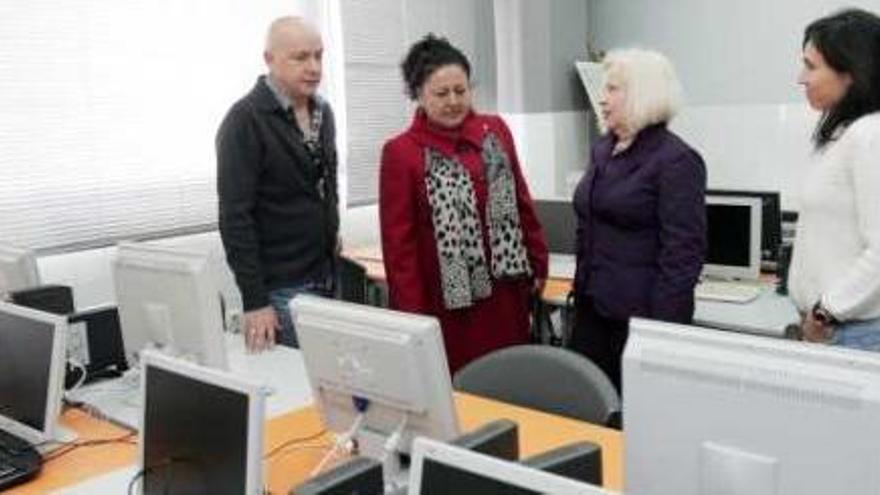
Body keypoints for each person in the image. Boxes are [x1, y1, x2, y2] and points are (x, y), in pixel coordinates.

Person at [379, 34, 549, 373]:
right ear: (418, 95)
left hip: (506, 293)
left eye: (461, 90)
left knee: (512, 378)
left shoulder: (495, 130)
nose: (454, 101)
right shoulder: (402, 152)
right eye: (441, 94)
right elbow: (400, 246)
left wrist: (538, 259)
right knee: (464, 388)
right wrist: (412, 317)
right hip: (449, 306)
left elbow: (520, 199)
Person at [570, 48, 706, 391]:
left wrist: (661, 337)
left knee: (633, 423)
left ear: (642, 95)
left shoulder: (676, 160)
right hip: (591, 308)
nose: (602, 98)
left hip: (640, 320)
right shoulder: (603, 149)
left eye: (612, 89)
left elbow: (683, 257)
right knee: (585, 407)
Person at [216, 16, 339, 351]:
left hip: (326, 276)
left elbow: (325, 187)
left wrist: (332, 232)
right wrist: (255, 302)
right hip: (280, 288)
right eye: (300, 57)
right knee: (300, 391)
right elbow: (234, 218)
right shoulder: (245, 120)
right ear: (269, 60)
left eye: (319, 55)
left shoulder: (323, 113)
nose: (313, 67)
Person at [789, 9, 880, 350]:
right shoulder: (843, 135)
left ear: (851, 73)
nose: (801, 78)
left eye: (811, 66)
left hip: (851, 332)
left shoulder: (871, 134)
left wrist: (826, 312)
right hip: (833, 329)